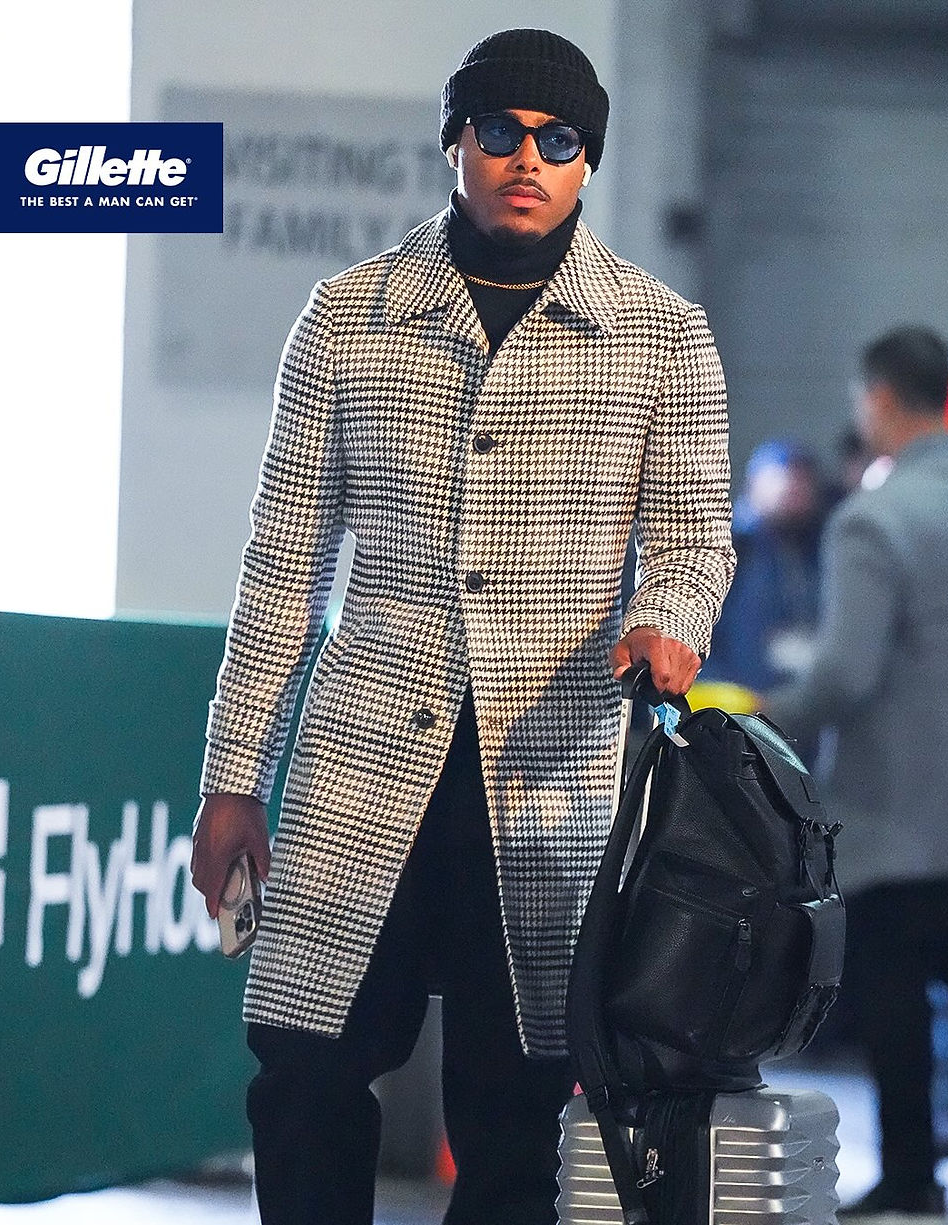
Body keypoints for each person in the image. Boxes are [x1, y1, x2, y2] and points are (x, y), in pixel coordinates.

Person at [190, 28, 735, 1225]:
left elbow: (695, 540)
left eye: (557, 139)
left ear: (588, 162)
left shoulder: (660, 334)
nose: (525, 158)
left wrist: (666, 616)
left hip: (548, 777)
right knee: (303, 1070)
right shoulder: (347, 317)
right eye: (498, 132)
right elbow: (284, 563)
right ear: (453, 144)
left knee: (515, 1115)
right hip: (359, 764)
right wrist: (234, 778)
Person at [766, 325, 948, 1218]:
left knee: (892, 1001)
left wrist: (755, 718)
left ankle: (915, 1175)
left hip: (900, 814)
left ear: (881, 398)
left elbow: (844, 674)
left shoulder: (874, 518)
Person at [702, 439, 825, 694]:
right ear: (755, 480)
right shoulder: (726, 546)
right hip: (726, 701)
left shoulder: (810, 548)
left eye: (804, 479)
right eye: (785, 475)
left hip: (785, 702)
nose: (796, 487)